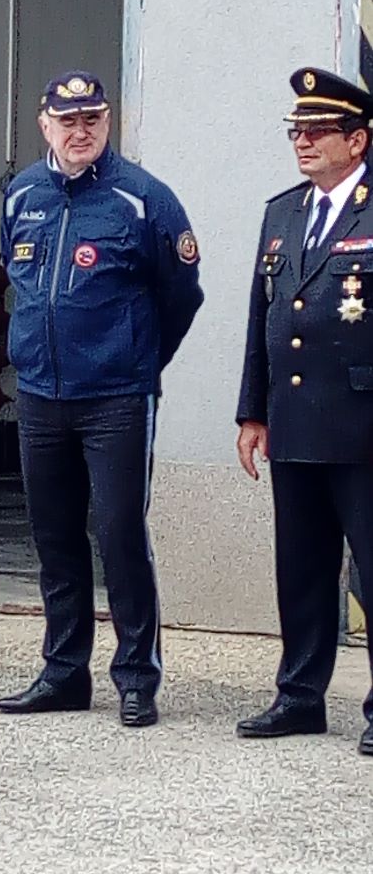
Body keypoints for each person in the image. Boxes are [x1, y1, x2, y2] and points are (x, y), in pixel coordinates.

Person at [0, 72, 204, 727]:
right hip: (40, 395)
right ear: (45, 124)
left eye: (92, 120)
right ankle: (63, 673)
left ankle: (137, 677)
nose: (80, 132)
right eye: (68, 121)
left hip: (116, 397)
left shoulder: (143, 198)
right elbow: (18, 281)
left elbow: (182, 294)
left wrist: (136, 358)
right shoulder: (23, 193)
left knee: (119, 536)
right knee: (54, 538)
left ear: (108, 122)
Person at [235, 66, 373, 757]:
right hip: (293, 420)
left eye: (318, 131)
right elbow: (262, 316)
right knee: (302, 568)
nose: (303, 142)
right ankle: (299, 695)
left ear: (358, 139)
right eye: (296, 131)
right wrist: (251, 412)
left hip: (362, 423)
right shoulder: (284, 212)